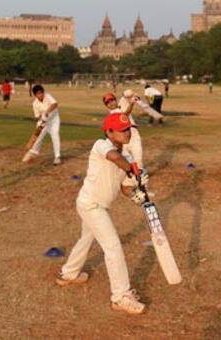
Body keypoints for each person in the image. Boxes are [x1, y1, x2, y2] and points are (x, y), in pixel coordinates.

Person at [54, 113, 149, 314]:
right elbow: (114, 158)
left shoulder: (128, 157)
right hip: (90, 204)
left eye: (128, 129)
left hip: (100, 206)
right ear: (109, 132)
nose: (127, 133)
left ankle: (68, 273)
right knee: (113, 246)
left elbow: (125, 188)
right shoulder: (101, 145)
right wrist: (133, 169)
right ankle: (121, 297)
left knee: (86, 239)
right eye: (122, 130)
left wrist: (137, 195)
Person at [23, 84, 61, 165]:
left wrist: (47, 112)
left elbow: (55, 104)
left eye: (41, 93)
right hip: (44, 122)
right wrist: (42, 119)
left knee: (55, 135)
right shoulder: (35, 104)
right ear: (35, 95)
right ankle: (33, 152)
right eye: (38, 94)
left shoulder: (48, 96)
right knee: (39, 137)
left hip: (54, 120)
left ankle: (57, 157)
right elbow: (37, 116)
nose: (41, 95)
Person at [117, 90, 144, 169]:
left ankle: (140, 173)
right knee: (126, 161)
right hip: (123, 137)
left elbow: (130, 94)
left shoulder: (126, 99)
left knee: (138, 159)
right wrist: (132, 104)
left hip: (133, 134)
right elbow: (125, 114)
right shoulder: (120, 104)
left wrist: (135, 97)